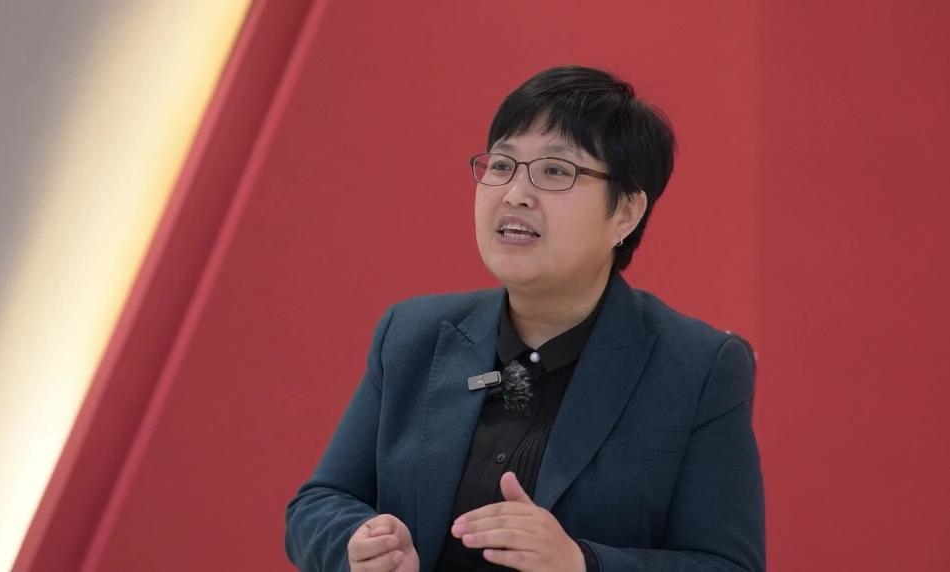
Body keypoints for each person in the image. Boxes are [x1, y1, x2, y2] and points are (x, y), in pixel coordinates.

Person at [285, 66, 765, 571]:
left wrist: (580, 563)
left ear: (625, 212)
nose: (515, 193)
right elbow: (318, 504)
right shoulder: (412, 335)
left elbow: (728, 565)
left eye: (555, 171)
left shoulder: (697, 369)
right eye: (502, 165)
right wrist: (358, 544)